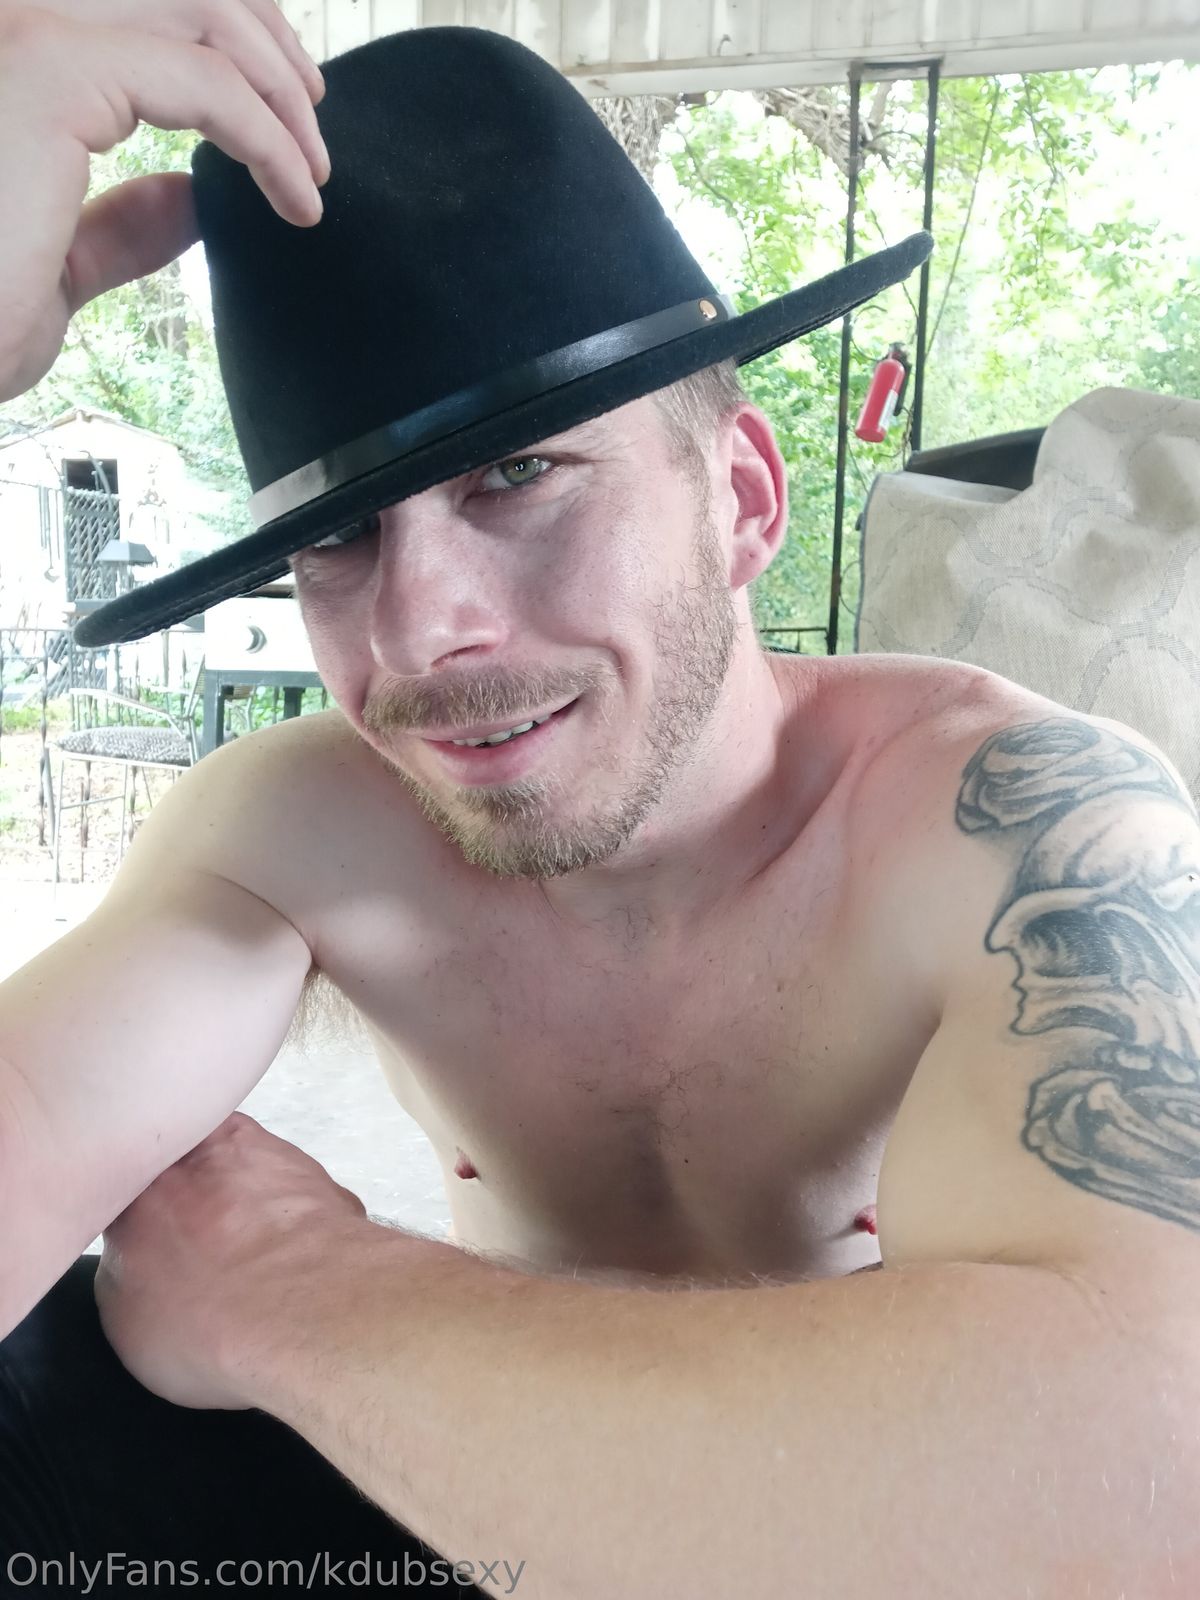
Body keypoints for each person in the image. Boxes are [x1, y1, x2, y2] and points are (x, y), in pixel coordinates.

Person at [1, 6, 1197, 1596]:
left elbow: (1145, 1482)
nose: (420, 632)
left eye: (519, 478)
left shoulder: (1020, 830)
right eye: (339, 541)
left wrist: (294, 1287)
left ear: (743, 499)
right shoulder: (298, 834)